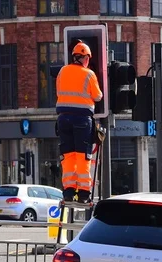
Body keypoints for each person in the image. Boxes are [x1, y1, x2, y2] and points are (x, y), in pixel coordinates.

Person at [55, 41, 103, 203]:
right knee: (83, 157)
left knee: (68, 156)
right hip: (82, 119)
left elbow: (59, 91)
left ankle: (68, 192)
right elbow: (97, 96)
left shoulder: (62, 71)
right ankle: (83, 194)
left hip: (63, 118)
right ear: (85, 58)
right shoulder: (89, 74)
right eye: (88, 58)